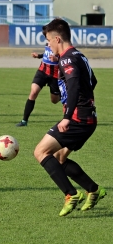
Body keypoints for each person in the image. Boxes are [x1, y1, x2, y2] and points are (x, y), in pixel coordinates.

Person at [33, 18, 106, 216]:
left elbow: (73, 85)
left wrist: (67, 116)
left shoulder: (66, 58)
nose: (47, 45)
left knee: (40, 152)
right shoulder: (79, 55)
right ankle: (93, 190)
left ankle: (70, 194)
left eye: (48, 40)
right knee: (60, 158)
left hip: (77, 118)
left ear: (57, 38)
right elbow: (93, 81)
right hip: (88, 117)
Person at [16, 38, 60, 127]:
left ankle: (63, 94)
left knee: (54, 101)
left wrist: (57, 59)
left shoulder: (61, 41)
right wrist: (39, 56)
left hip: (55, 75)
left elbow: (67, 57)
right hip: (42, 71)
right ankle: (24, 121)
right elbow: (47, 54)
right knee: (33, 92)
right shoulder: (49, 40)